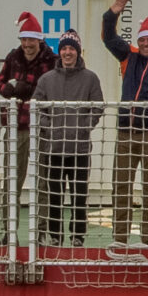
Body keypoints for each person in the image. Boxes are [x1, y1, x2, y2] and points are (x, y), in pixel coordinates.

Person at [100, 0, 148, 245]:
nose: (145, 44)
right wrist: (112, 13)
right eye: (142, 40)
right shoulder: (129, 57)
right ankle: (120, 238)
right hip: (126, 132)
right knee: (121, 186)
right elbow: (108, 38)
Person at [31, 34, 106, 246]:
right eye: (64, 49)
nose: (67, 53)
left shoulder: (90, 78)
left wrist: (84, 127)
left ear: (78, 52)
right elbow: (36, 106)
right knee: (54, 195)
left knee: (79, 195)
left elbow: (98, 106)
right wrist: (50, 127)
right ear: (59, 52)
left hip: (80, 148)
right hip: (53, 148)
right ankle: (55, 236)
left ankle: (77, 236)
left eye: (71, 49)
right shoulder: (46, 79)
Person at [0, 12, 55, 189]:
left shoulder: (51, 60)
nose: (27, 44)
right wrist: (7, 90)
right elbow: (0, 81)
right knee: (11, 177)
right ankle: (10, 209)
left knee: (44, 178)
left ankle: (42, 209)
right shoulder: (13, 57)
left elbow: (54, 90)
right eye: (24, 39)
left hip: (42, 126)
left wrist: (31, 90)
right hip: (15, 125)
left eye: (31, 40)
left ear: (39, 40)